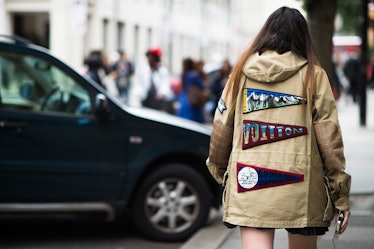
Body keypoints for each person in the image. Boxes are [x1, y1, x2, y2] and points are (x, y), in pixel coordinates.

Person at [206, 6, 351, 249]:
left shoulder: (240, 74)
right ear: (303, 37)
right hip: (302, 185)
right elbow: (330, 139)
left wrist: (220, 170)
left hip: (248, 180)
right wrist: (340, 194)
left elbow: (221, 129)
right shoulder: (313, 76)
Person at [132, 47, 174, 113]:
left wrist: (162, 93)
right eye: (149, 57)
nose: (150, 59)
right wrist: (139, 93)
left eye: (152, 57)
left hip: (158, 100)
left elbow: (165, 84)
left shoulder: (162, 70)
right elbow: (138, 83)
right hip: (145, 98)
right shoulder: (142, 69)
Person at [176, 58, 208, 123]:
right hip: (192, 103)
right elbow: (203, 87)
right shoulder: (194, 75)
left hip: (184, 101)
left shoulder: (183, 75)